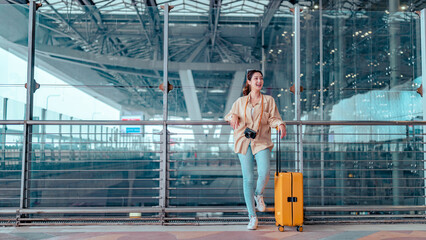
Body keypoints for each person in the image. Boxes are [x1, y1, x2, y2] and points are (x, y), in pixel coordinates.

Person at [225, 70, 286, 230]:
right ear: (249, 82)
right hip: (243, 142)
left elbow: (273, 118)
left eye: (261, 78)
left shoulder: (269, 100)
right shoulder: (240, 101)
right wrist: (233, 117)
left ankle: (258, 194)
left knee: (265, 172)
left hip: (262, 141)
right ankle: (252, 217)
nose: (259, 81)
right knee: (248, 179)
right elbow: (229, 115)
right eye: (256, 78)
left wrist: (280, 124)